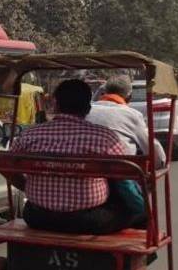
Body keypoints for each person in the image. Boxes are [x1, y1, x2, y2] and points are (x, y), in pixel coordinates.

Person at [10, 79, 136, 234]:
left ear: (56, 105)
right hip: (90, 221)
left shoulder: (29, 135)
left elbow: (6, 164)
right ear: (88, 108)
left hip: (37, 217)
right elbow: (126, 173)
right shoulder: (105, 137)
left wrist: (26, 186)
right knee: (129, 206)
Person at [88, 75, 166, 166]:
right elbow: (154, 151)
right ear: (129, 97)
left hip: (86, 168)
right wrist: (160, 162)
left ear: (104, 92)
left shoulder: (86, 110)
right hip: (120, 169)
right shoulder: (133, 115)